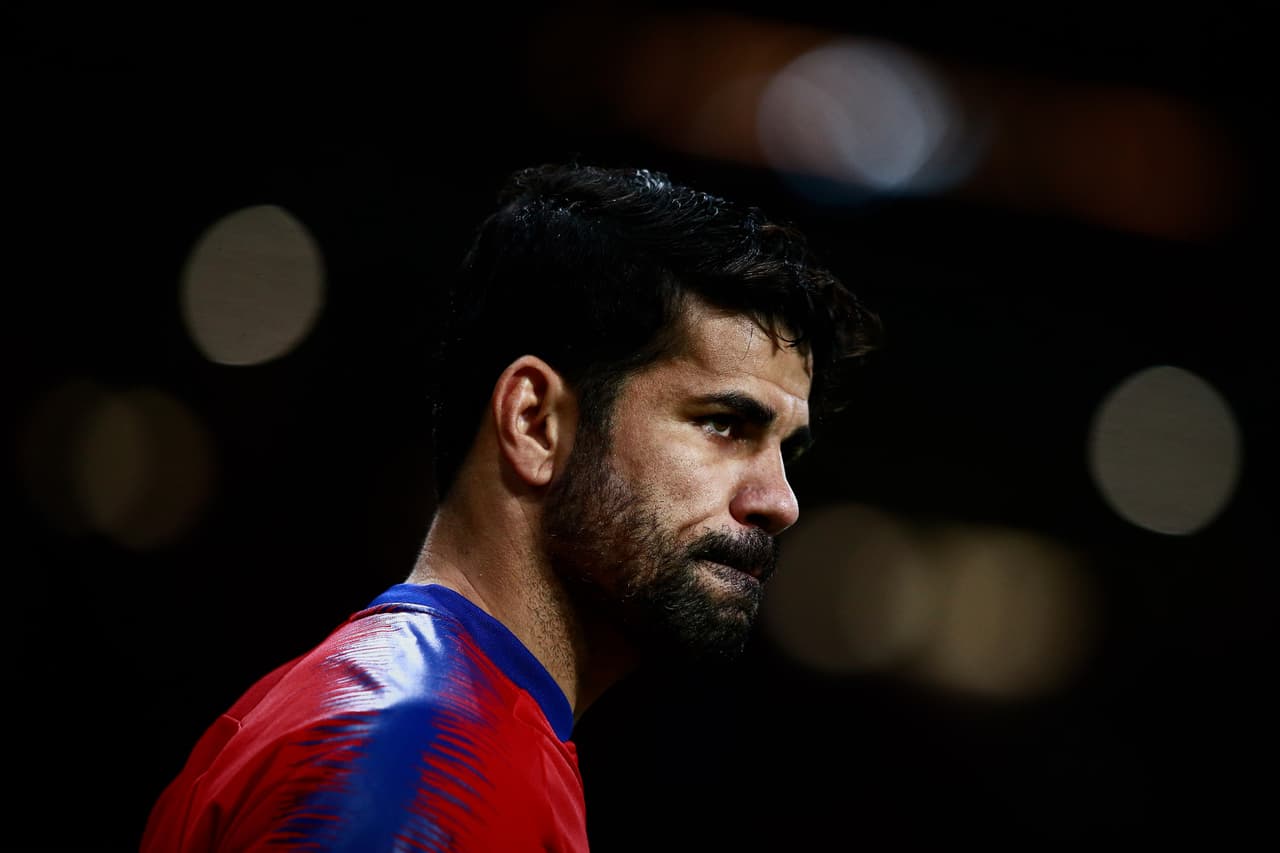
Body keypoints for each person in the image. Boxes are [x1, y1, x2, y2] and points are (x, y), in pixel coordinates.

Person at [141, 160, 882, 851]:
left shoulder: (423, 726)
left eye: (788, 449)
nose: (779, 501)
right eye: (725, 423)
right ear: (535, 423)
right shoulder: (420, 758)